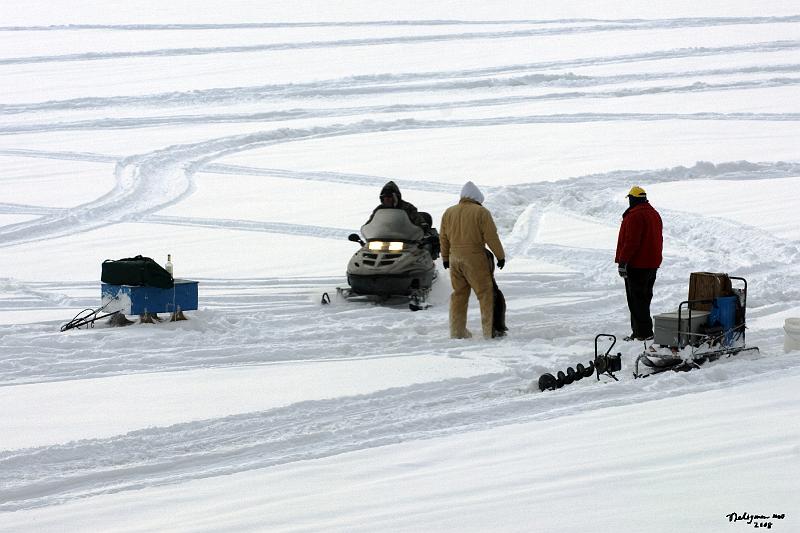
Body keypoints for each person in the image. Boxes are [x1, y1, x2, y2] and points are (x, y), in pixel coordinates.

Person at [440, 181, 506, 339]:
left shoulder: (449, 212)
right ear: (477, 198)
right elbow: (491, 237)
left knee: (459, 295)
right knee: (485, 294)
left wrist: (445, 257)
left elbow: (443, 237)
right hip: (475, 258)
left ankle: (457, 332)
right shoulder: (481, 212)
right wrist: (500, 256)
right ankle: (489, 332)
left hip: (455, 258)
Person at [615, 185, 663, 341]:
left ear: (633, 199)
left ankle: (642, 334)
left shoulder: (634, 216)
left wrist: (623, 262)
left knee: (636, 301)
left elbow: (631, 242)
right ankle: (643, 331)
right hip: (652, 263)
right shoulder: (654, 214)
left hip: (637, 265)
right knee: (644, 299)